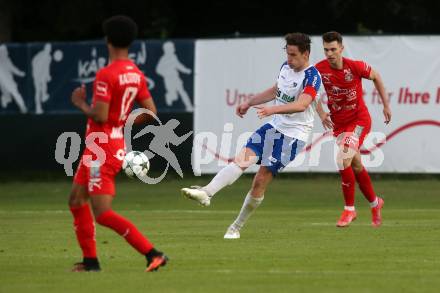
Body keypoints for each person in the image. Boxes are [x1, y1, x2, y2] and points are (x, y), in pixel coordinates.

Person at [181, 33, 322, 239]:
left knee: (260, 179)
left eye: (293, 55)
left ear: (306, 53)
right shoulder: (285, 67)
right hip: (273, 127)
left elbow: (302, 104)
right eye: (287, 53)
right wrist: (250, 102)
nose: (289, 59)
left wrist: (272, 111)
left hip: (293, 136)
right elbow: (275, 90)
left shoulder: (312, 76)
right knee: (241, 159)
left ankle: (235, 227)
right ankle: (207, 192)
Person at [69, 15, 168, 272]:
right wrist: (121, 123)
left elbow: (100, 115)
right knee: (76, 200)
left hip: (101, 151)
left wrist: (80, 103)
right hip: (107, 146)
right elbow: (150, 112)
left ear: (108, 40)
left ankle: (152, 253)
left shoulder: (106, 74)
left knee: (102, 213)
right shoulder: (135, 74)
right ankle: (90, 262)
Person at [314, 31, 392, 228]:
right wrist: (322, 113)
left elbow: (376, 76)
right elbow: (311, 92)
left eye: (333, 49)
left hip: (359, 121)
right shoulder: (319, 70)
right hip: (339, 124)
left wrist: (386, 105)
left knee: (342, 158)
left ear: (341, 48)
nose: (329, 53)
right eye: (326, 50)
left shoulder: (355, 66)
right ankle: (375, 204)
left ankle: (349, 210)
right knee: (355, 165)